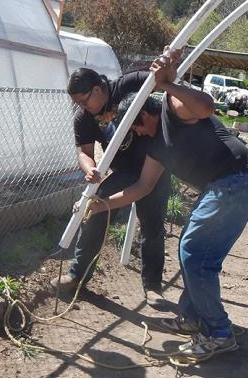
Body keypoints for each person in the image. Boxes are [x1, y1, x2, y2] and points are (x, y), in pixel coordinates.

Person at [84, 50, 248, 358]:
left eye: (135, 128)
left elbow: (205, 106)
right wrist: (103, 205)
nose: (137, 135)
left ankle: (218, 332)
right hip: (224, 186)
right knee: (194, 251)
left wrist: (168, 84)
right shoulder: (155, 148)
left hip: (235, 179)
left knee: (194, 254)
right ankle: (194, 318)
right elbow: (142, 187)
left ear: (144, 115)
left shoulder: (172, 109)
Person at [54, 67, 171, 307]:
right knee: (95, 212)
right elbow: (83, 153)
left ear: (97, 89)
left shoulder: (127, 85)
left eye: (84, 101)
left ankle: (152, 287)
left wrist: (166, 65)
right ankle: (78, 275)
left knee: (152, 226)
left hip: (155, 166)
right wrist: (89, 169)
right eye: (77, 104)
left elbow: (163, 79)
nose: (82, 107)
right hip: (123, 171)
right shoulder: (84, 118)